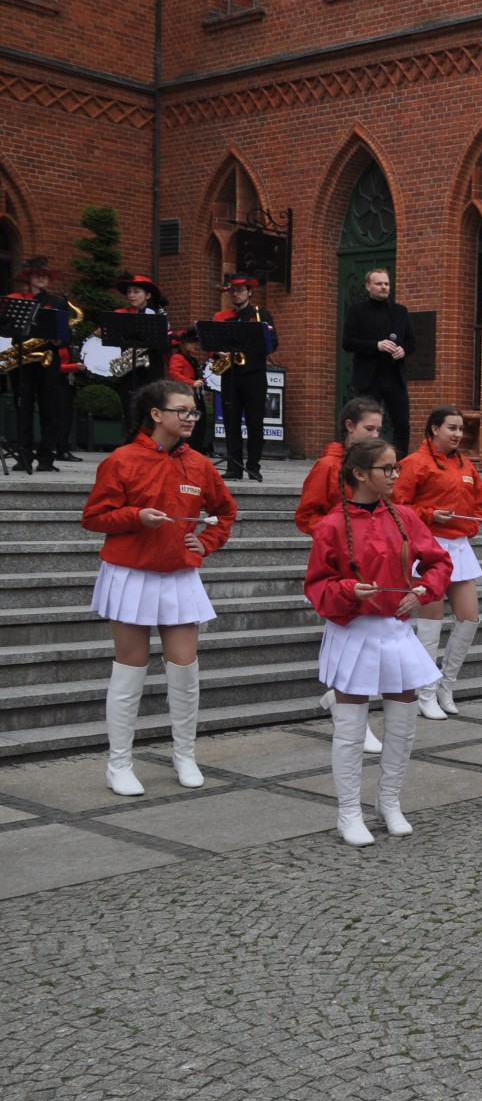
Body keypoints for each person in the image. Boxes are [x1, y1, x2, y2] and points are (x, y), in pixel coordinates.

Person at [81, 380, 238, 796]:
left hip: (179, 574)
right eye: (181, 411)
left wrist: (205, 542)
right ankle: (119, 764)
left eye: (194, 411)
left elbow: (225, 511)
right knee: (129, 671)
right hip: (130, 574)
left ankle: (185, 756)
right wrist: (135, 516)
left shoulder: (199, 464)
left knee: (185, 671)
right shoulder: (122, 460)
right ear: (156, 414)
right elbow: (94, 516)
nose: (190, 418)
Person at [304, 437, 450, 846]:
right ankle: (348, 812)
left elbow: (439, 562)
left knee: (403, 723)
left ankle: (390, 802)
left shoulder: (405, 516)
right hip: (354, 630)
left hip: (396, 629)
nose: (395, 475)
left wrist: (422, 591)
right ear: (359, 474)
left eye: (396, 467)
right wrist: (349, 590)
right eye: (387, 468)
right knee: (351, 727)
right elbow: (317, 586)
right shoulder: (332, 525)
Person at [297, 397, 388, 755]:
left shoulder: (374, 467)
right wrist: (339, 535)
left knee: (367, 645)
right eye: (369, 428)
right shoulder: (327, 467)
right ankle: (351, 714)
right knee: (348, 640)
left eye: (379, 429)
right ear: (349, 426)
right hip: (337, 568)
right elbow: (306, 515)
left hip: (371, 567)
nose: (375, 435)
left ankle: (343, 705)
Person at [393, 406, 482, 718]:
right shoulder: (414, 463)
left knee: (469, 619)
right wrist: (430, 514)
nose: (458, 434)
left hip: (459, 547)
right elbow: (398, 505)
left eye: (461, 428)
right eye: (452, 428)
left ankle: (447, 686)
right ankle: (426, 692)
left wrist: (471, 527)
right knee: (431, 622)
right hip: (428, 546)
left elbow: (480, 502)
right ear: (434, 429)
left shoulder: (466, 465)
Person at [6, 257, 85, 473]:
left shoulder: (57, 303)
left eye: (46, 276)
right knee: (23, 409)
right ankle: (23, 456)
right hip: (23, 361)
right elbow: (7, 330)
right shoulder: (17, 302)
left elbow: (67, 336)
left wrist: (60, 340)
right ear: (29, 277)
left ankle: (46, 458)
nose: (42, 278)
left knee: (50, 409)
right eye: (38, 274)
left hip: (48, 360)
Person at [340, 269, 414, 451]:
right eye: (379, 283)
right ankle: (364, 458)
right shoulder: (357, 311)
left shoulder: (400, 311)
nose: (384, 287)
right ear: (368, 286)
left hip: (395, 376)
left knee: (402, 424)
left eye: (386, 284)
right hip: (369, 378)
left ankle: (399, 461)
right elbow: (348, 342)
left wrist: (403, 350)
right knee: (366, 422)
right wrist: (376, 345)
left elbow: (411, 341)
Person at [212, 274, 277, 482]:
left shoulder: (261, 315)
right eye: (232, 291)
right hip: (230, 375)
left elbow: (272, 343)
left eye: (240, 290)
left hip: (254, 375)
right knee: (230, 422)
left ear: (249, 292)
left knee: (254, 422)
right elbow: (212, 343)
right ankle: (234, 466)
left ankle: (253, 466)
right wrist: (218, 352)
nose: (236, 294)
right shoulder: (222, 317)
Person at [109, 273, 169, 404]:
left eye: (136, 292)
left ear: (147, 295)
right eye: (129, 292)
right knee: (129, 406)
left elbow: (164, 347)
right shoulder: (121, 314)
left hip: (151, 369)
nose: (131, 295)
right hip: (128, 370)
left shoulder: (157, 316)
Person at [163, 327, 218, 456]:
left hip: (194, 395)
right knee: (191, 425)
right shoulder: (177, 357)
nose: (195, 345)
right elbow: (174, 374)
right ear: (182, 344)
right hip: (186, 395)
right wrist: (192, 382)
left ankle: (194, 452)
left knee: (199, 425)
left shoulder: (190, 358)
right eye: (191, 342)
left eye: (195, 342)